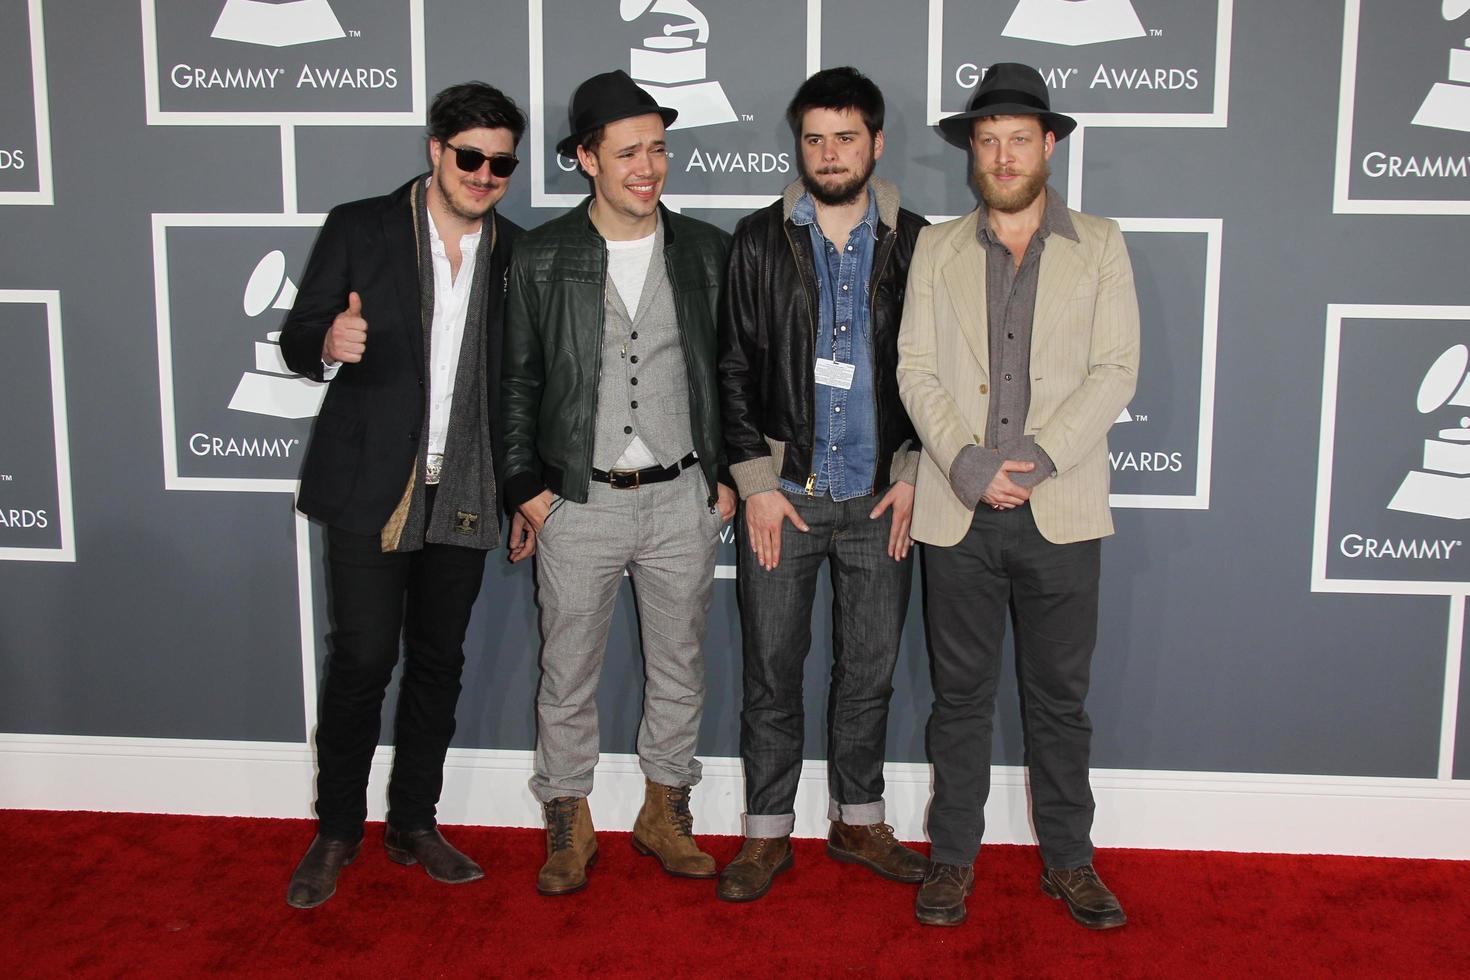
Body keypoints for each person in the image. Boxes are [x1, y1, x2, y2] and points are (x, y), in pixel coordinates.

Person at [278, 82, 534, 909]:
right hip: (370, 486)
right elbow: (295, 339)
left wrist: (523, 489)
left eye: (501, 162)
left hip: (465, 486)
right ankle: (337, 830)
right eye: (470, 157)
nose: (485, 174)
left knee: (438, 663)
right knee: (359, 662)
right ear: (435, 150)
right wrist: (326, 338)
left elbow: (523, 383)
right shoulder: (362, 226)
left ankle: (413, 823)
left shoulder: (516, 253)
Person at [897, 63, 1140, 928]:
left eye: (1018, 139)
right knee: (958, 702)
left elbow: (1116, 372)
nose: (1002, 155)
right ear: (973, 152)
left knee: (1059, 704)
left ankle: (1070, 862)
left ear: (1050, 144)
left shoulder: (1101, 244)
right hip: (957, 512)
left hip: (1061, 511)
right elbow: (915, 370)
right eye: (988, 141)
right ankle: (952, 860)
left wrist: (1032, 462)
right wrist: (967, 464)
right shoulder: (934, 248)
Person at [499, 69, 735, 896]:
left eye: (659, 148)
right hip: (578, 500)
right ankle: (569, 817)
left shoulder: (706, 249)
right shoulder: (540, 254)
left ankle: (665, 810)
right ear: (585, 158)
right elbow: (517, 378)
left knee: (681, 666)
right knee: (566, 673)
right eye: (628, 150)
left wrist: (729, 479)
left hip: (683, 498)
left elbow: (732, 373)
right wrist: (526, 487)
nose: (649, 166)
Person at [715, 67, 929, 903]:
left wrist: (913, 471)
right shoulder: (757, 239)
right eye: (815, 138)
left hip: (881, 501)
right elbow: (730, 371)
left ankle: (858, 818)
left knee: (868, 670)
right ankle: (766, 835)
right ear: (797, 146)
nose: (830, 153)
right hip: (786, 499)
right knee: (772, 671)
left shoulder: (921, 241)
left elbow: (939, 370)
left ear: (876, 142)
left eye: (846, 137)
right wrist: (757, 482)